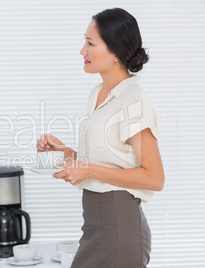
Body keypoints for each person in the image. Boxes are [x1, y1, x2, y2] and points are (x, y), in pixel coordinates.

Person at [36, 8, 164, 268]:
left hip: (118, 225)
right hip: (96, 223)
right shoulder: (99, 93)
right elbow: (109, 161)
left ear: (115, 52)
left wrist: (88, 169)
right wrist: (66, 152)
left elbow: (154, 178)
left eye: (90, 43)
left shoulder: (132, 100)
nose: (82, 51)